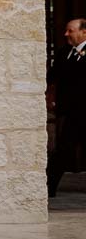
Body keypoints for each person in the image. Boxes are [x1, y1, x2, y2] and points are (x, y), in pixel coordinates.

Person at [47, 16, 86, 198]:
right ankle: (49, 188)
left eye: (70, 30)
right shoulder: (64, 52)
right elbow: (52, 76)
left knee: (64, 148)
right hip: (71, 112)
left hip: (83, 109)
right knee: (63, 149)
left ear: (84, 32)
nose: (66, 34)